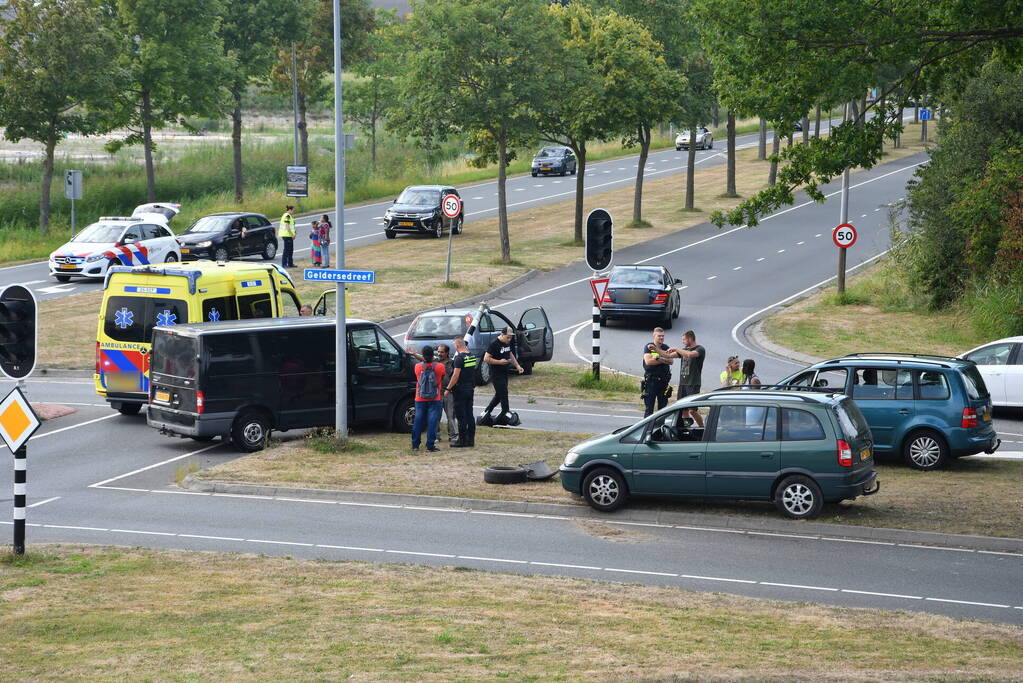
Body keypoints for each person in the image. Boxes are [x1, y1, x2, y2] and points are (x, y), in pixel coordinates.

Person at [480, 326, 524, 423]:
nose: (509, 339)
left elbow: (510, 354)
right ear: (502, 335)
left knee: (499, 395)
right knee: (503, 393)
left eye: (511, 337)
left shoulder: (508, 343)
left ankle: (486, 412)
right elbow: (486, 358)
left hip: (505, 372)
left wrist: (517, 366)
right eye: (507, 337)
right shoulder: (494, 344)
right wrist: (499, 362)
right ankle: (505, 412)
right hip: (496, 373)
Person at [412, 345, 446, 452]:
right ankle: (430, 445)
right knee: (432, 421)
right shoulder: (440, 366)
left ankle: (415, 445)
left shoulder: (417, 367)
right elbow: (442, 378)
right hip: (435, 397)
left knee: (418, 420)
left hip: (420, 397)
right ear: (433, 355)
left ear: (423, 355)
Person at [447, 336, 478, 448]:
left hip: (460, 390)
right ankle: (471, 440)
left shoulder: (459, 358)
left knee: (461, 416)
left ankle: (462, 441)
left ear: (457, 345)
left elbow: (455, 376)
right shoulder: (471, 357)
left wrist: (448, 389)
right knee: (469, 415)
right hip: (470, 389)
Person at [671, 329, 705, 426]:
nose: (683, 342)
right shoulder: (683, 350)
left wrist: (677, 349)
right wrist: (657, 350)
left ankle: (703, 428)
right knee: (683, 410)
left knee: (692, 410)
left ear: (690, 339)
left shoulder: (700, 349)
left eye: (684, 339)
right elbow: (668, 355)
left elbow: (690, 355)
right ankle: (687, 428)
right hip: (683, 383)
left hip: (693, 383)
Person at [642, 327, 674, 417]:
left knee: (662, 410)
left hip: (663, 382)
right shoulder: (649, 347)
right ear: (654, 336)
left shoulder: (666, 347)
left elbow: (671, 361)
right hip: (651, 381)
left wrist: (658, 358)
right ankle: (647, 430)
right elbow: (648, 361)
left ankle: (660, 430)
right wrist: (664, 359)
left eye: (663, 336)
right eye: (659, 336)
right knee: (649, 410)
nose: (661, 338)